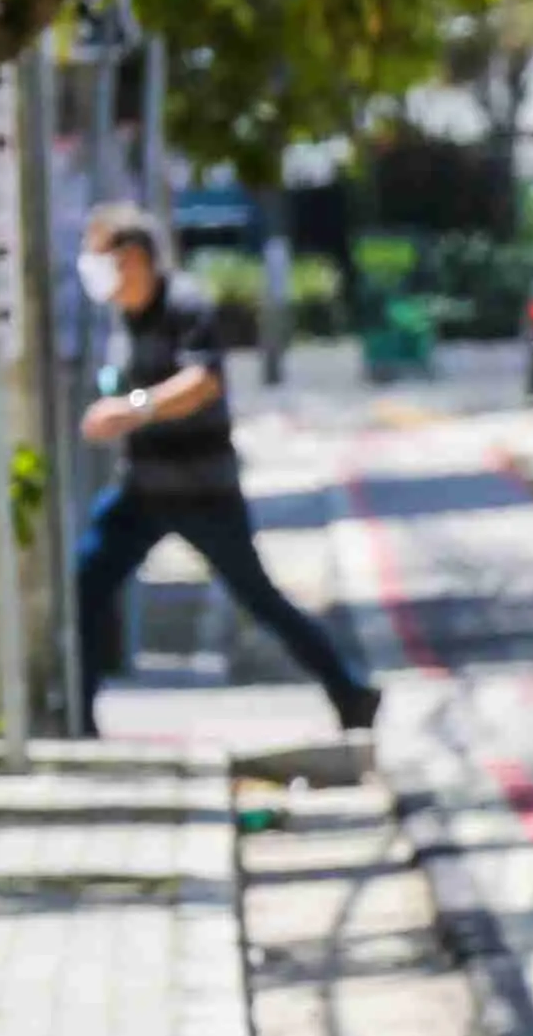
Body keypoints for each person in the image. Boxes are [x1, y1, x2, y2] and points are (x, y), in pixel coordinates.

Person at [70, 206, 377, 734]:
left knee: (258, 598)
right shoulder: (124, 317)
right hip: (143, 491)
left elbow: (204, 381)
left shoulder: (185, 305)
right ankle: (78, 716)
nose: (101, 278)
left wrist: (134, 407)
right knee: (86, 582)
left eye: (106, 262)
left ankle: (349, 692)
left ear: (135, 259)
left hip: (202, 492)